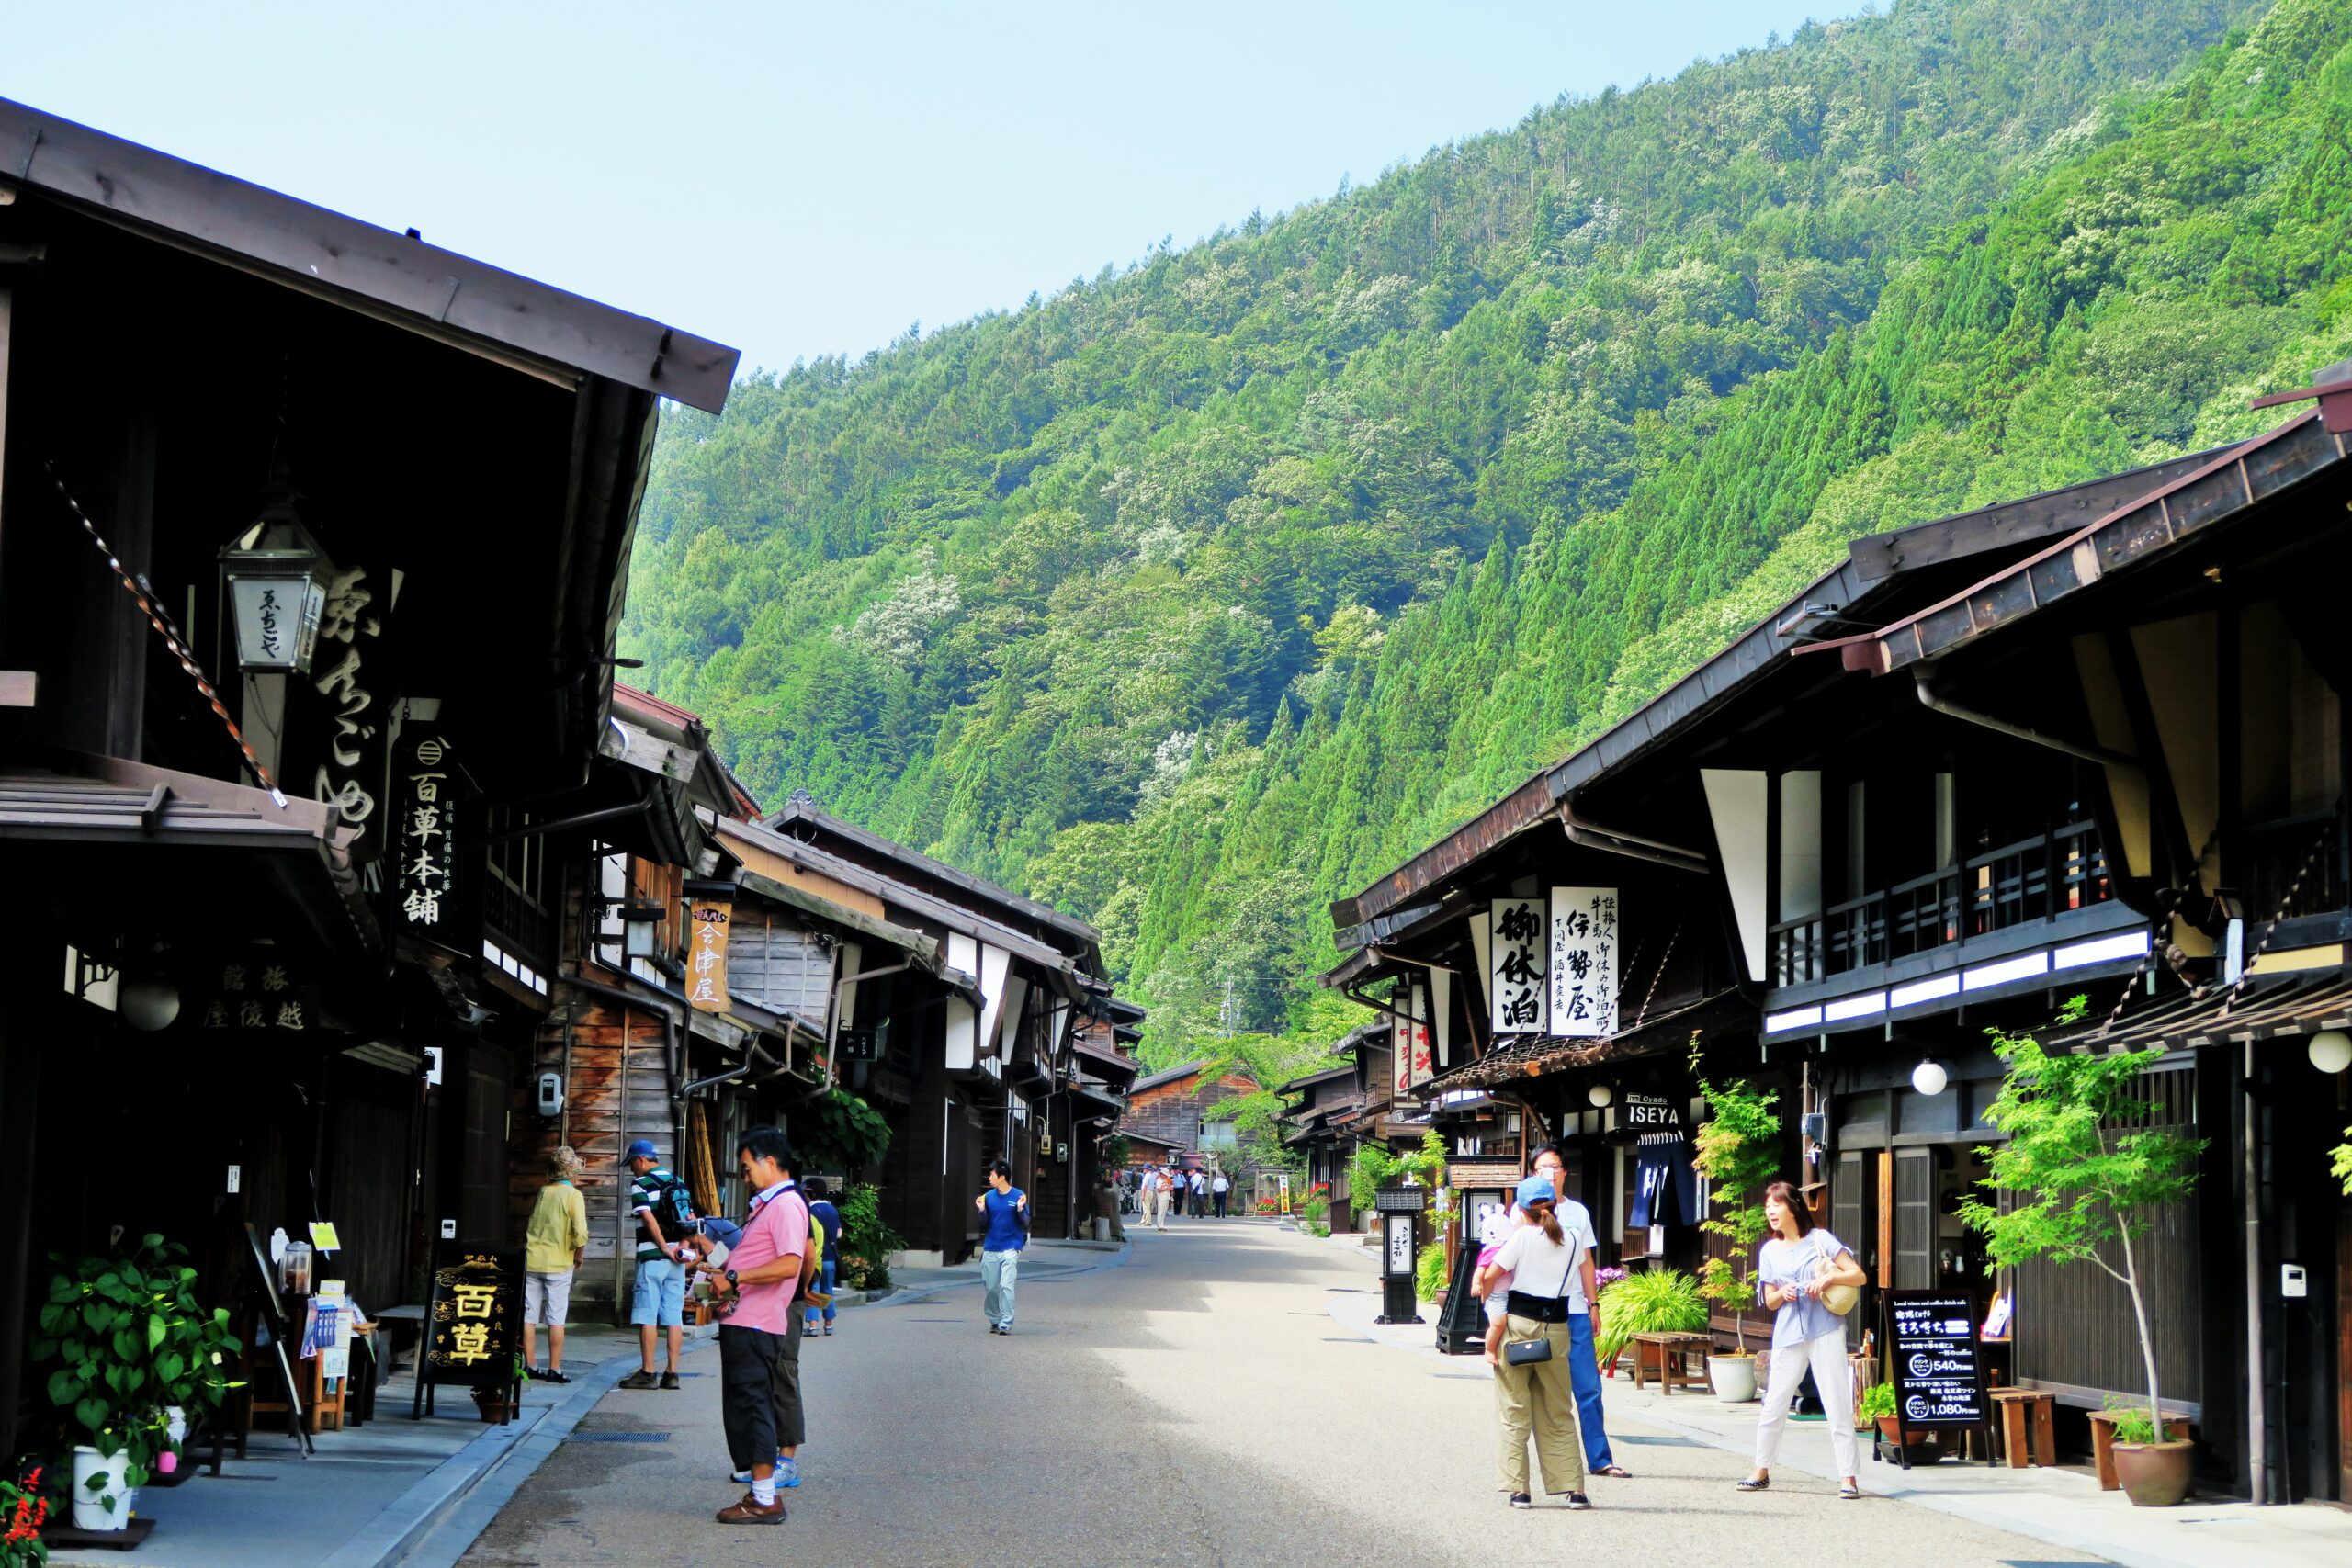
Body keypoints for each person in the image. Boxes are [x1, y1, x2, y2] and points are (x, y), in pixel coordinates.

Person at [1742, 1179, 1867, 1501]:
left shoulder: (1820, 1240)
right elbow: (1768, 1299)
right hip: (1787, 1334)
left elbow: (1858, 1275)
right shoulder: (1768, 1250)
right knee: (1775, 1403)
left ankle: (1848, 1478)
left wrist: (1829, 1277)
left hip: (1825, 1328)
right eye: (1767, 1207)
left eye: (1776, 1205)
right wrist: (1781, 1294)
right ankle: (1761, 1471)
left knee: (1837, 1401)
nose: (1770, 1212)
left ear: (1793, 1207)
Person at [707, 1125, 808, 1525]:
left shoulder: (785, 1205)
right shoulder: (769, 1205)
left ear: (769, 1162)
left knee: (753, 1408)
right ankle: (759, 1494)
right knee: (745, 1408)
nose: (744, 1176)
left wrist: (734, 1279)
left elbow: (789, 1264)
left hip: (756, 1325)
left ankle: (765, 1499)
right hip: (745, 1321)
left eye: (747, 1168)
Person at [1526, 1144, 1631, 1480]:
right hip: (1536, 1314)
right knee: (1540, 1393)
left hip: (1574, 1311)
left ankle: (1600, 1458)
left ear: (1565, 1172)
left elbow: (1587, 1263)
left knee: (1589, 1388)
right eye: (1543, 1168)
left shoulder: (1578, 1213)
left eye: (1555, 1167)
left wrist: (1594, 1303)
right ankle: (1542, 1464)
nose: (1551, 1173)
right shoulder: (1521, 1214)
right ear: (1533, 1173)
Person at [1489, 1176, 1590, 1510]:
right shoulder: (1574, 1239)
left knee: (1514, 1407)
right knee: (1558, 1409)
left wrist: (1484, 1292)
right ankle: (1574, 1488)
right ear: (1554, 1206)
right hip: (1556, 1328)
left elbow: (1493, 1273)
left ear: (1521, 1209)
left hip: (1518, 1327)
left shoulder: (1521, 1237)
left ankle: (1520, 1490)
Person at [618, 1138, 694, 1391]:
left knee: (647, 1315)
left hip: (653, 1257)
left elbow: (648, 1219)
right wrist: (681, 1245)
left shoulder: (641, 1184)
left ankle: (648, 1372)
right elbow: (688, 1218)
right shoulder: (678, 1182)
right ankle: (672, 1373)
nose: (632, 1169)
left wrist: (663, 1247)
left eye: (632, 1164)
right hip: (678, 1259)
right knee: (674, 1317)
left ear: (641, 1160)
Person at [521, 1145, 588, 1383]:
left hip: (533, 1259)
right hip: (560, 1262)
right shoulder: (573, 1195)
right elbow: (580, 1233)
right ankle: (555, 1368)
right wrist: (578, 1255)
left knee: (529, 1315)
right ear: (572, 1173)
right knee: (556, 1317)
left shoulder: (543, 1191)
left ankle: (529, 1364)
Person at [975, 1157, 1029, 1333]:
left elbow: (1026, 1222)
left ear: (1002, 1177)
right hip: (991, 1246)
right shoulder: (988, 1197)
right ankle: (995, 1319)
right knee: (990, 1287)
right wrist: (982, 1210)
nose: (989, 1178)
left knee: (1006, 1284)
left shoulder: (1018, 1196)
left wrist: (1020, 1209)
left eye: (992, 1174)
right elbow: (984, 1223)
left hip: (1011, 1247)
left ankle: (1006, 1322)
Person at [803, 1177, 842, 1337]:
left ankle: (813, 1326)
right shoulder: (833, 1210)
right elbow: (839, 1233)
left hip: (816, 1258)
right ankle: (828, 1325)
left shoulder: (810, 1210)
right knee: (828, 1290)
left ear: (811, 1193)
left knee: (813, 1290)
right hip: (831, 1259)